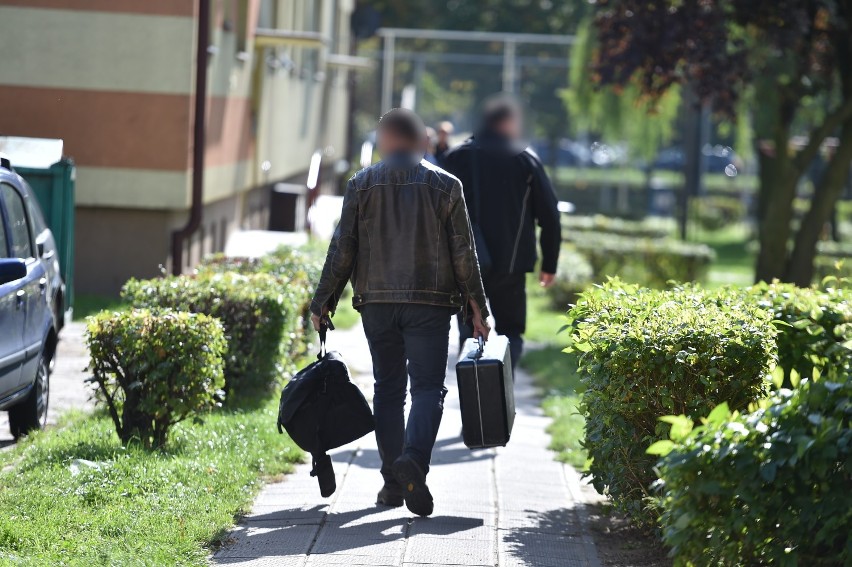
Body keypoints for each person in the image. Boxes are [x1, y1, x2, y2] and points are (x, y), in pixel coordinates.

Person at [310, 108, 490, 517]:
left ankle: (393, 484)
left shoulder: (361, 183)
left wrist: (323, 303)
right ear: (421, 142)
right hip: (430, 306)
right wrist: (478, 308)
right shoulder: (447, 185)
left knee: (388, 390)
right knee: (428, 389)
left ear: (384, 141)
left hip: (375, 304)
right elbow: (464, 253)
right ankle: (414, 462)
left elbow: (343, 249)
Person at [443, 96, 561, 367]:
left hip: (465, 263)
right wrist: (549, 263)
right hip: (512, 264)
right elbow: (550, 216)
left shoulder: (455, 158)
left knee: (469, 331)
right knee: (511, 333)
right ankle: (503, 390)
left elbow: (434, 213)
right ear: (508, 123)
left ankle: (474, 393)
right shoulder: (525, 160)